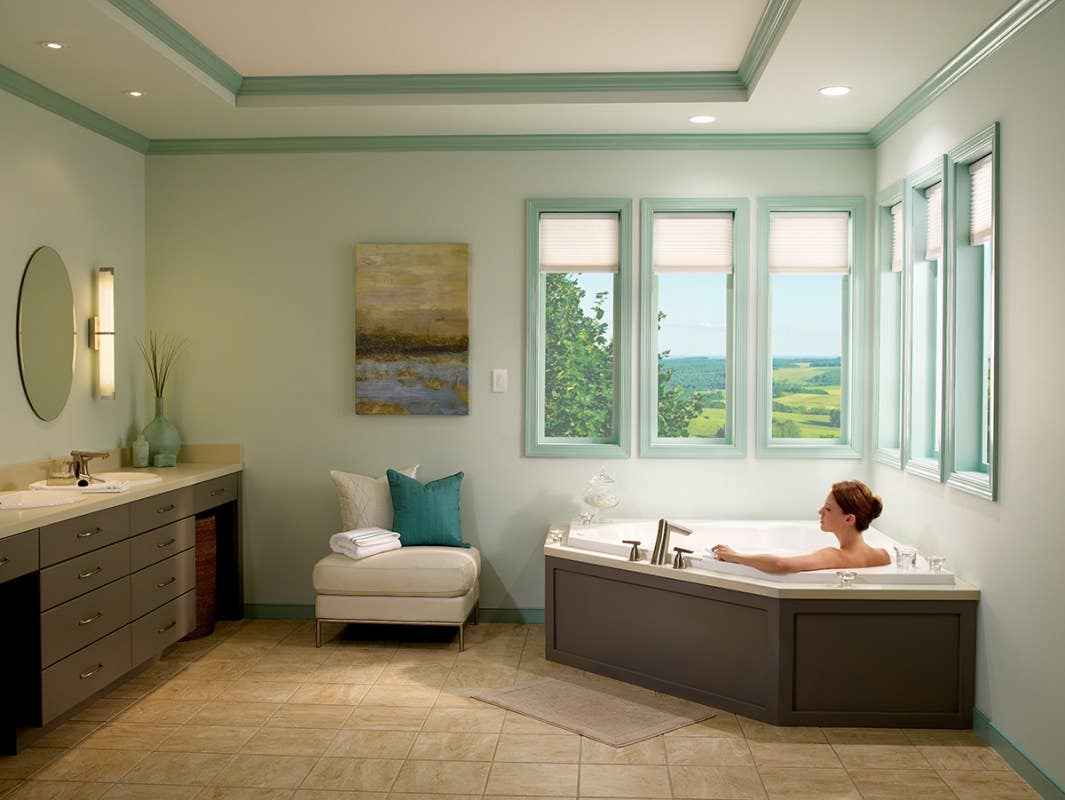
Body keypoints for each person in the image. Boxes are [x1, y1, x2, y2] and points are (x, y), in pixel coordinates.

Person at [711, 480, 889, 574]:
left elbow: (781, 564)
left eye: (828, 509)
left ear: (849, 519)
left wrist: (736, 556)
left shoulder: (835, 556)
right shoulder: (883, 556)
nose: (820, 512)